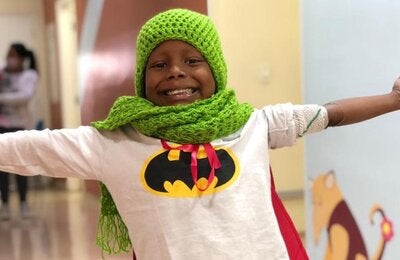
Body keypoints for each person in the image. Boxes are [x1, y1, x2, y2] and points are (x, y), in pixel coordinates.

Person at [0, 9, 399, 259]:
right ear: (142, 78)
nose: (176, 71)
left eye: (193, 60)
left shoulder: (254, 125)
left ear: (216, 71)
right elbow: (30, 148)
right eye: (159, 64)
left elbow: (331, 113)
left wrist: (393, 99)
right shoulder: (113, 142)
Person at [0, 43, 38, 220]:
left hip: (19, 126)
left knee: (20, 166)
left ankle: (23, 202)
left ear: (22, 58)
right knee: (2, 168)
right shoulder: (2, 71)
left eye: (14, 55)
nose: (10, 58)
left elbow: (24, 97)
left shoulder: (29, 75)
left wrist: (2, 98)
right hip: (1, 126)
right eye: (8, 55)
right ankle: (5, 204)